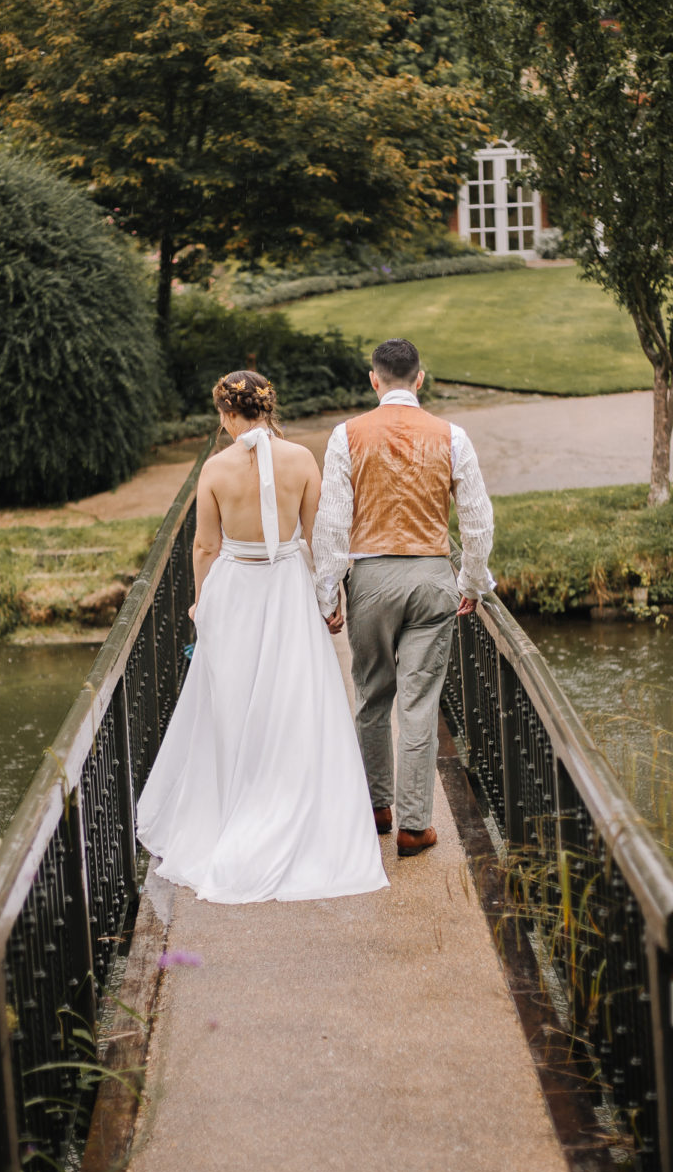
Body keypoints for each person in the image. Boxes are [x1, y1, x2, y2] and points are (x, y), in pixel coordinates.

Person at [136, 370, 388, 904]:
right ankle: (293, 804)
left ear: (227, 414)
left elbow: (205, 547)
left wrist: (202, 603)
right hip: (288, 591)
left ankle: (234, 804)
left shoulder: (215, 468)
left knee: (230, 701)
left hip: (235, 593)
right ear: (268, 409)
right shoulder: (301, 459)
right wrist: (329, 598)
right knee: (293, 698)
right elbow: (321, 536)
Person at [312, 338, 495, 858]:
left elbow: (331, 524)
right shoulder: (451, 436)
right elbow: (478, 522)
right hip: (432, 577)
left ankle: (377, 808)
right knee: (419, 702)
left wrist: (329, 595)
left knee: (372, 695)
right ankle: (417, 824)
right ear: (420, 378)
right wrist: (472, 583)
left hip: (369, 579)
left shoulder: (345, 436)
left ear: (375, 379)